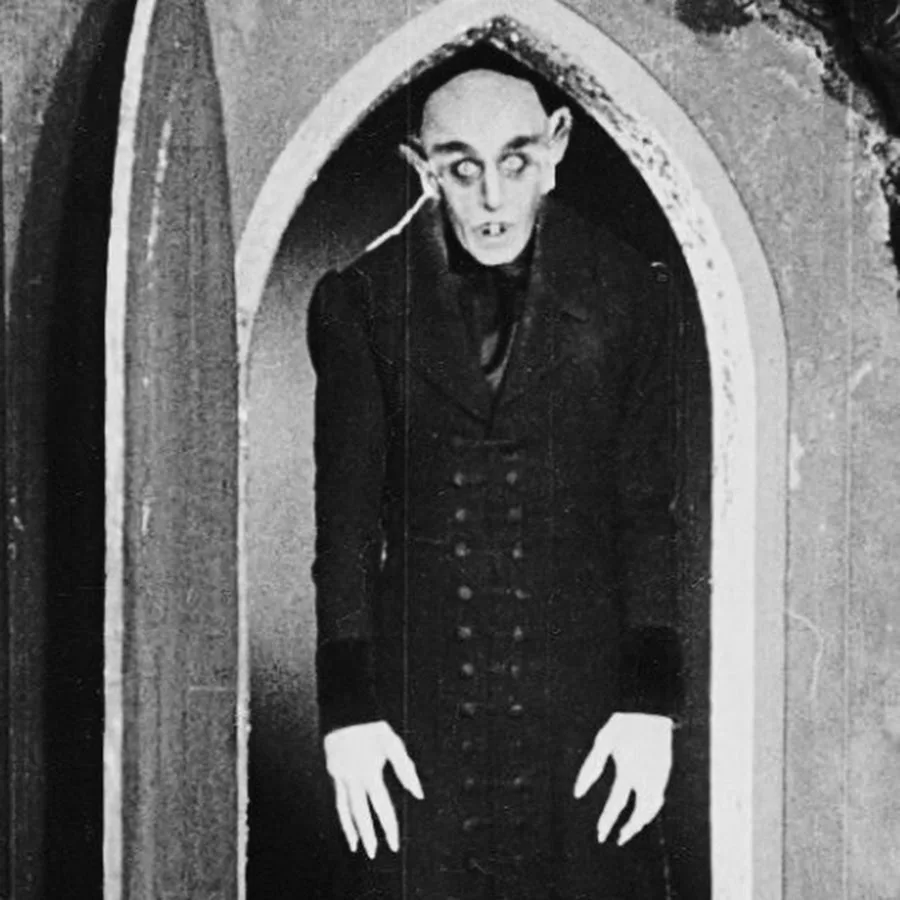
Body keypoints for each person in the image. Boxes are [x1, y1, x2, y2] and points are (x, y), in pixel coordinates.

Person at [306, 49, 683, 900]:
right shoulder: (359, 301)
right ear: (421, 167)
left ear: (557, 145)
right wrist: (348, 715)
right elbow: (345, 531)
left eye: (515, 162)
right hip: (420, 712)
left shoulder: (632, 293)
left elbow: (647, 514)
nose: (491, 198)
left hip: (586, 713)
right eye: (461, 167)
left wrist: (650, 704)